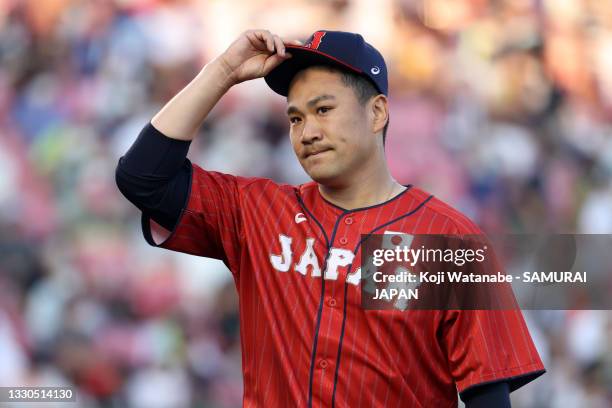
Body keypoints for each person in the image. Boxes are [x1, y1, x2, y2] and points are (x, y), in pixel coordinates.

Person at [116, 29, 545, 407]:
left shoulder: (447, 240)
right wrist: (224, 70)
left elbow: (487, 395)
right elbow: (142, 178)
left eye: (323, 110)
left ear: (377, 113)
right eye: (296, 118)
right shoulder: (258, 212)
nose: (307, 132)